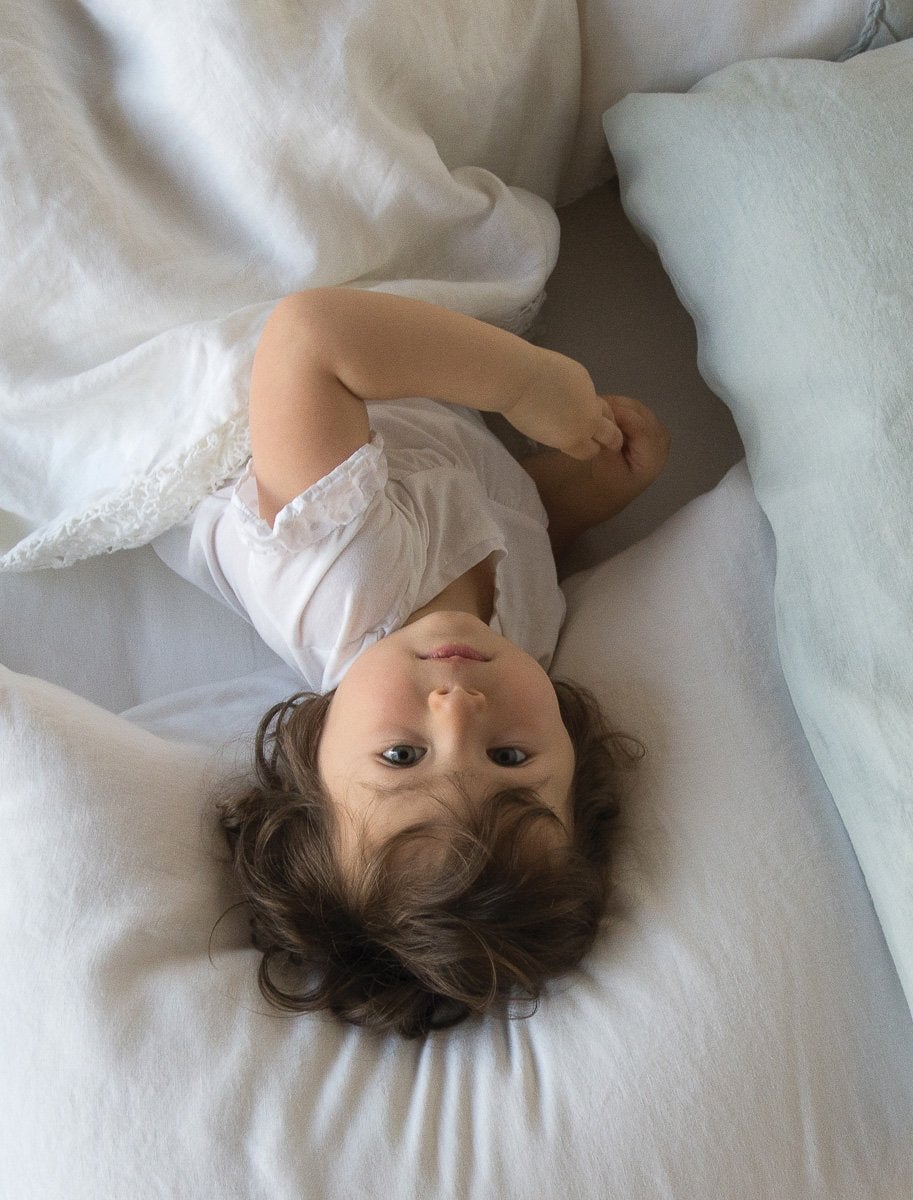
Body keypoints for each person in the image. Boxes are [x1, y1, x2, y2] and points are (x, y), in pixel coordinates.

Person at [153, 287, 669, 1037]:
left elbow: (309, 337)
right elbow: (514, 526)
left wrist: (522, 383)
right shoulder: (522, 643)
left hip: (223, 345)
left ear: (310, 765)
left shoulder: (342, 580)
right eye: (511, 756)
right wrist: (597, 489)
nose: (460, 709)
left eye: (401, 756)